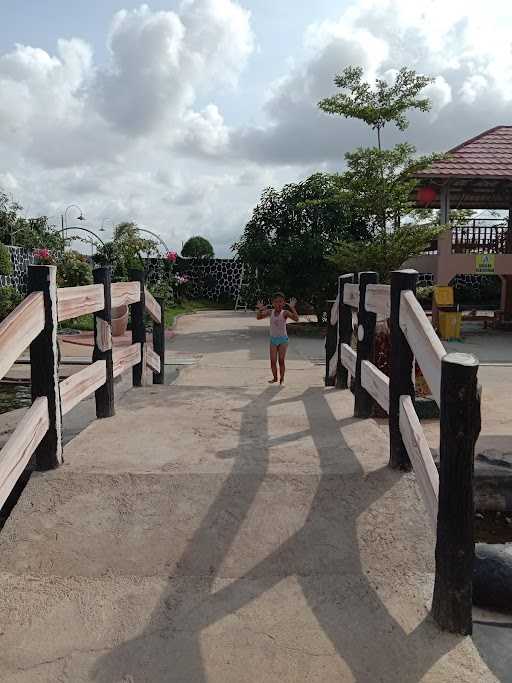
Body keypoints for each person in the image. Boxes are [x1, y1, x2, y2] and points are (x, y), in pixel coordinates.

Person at [256, 292, 299, 385]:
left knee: (281, 360)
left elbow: (296, 319)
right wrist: (260, 309)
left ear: (284, 303)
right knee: (272, 361)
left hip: (283, 340)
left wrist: (292, 307)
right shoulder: (270, 312)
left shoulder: (285, 312)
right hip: (273, 340)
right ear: (272, 303)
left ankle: (282, 379)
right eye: (276, 302)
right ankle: (275, 378)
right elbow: (258, 317)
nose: (278, 304)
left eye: (280, 302)